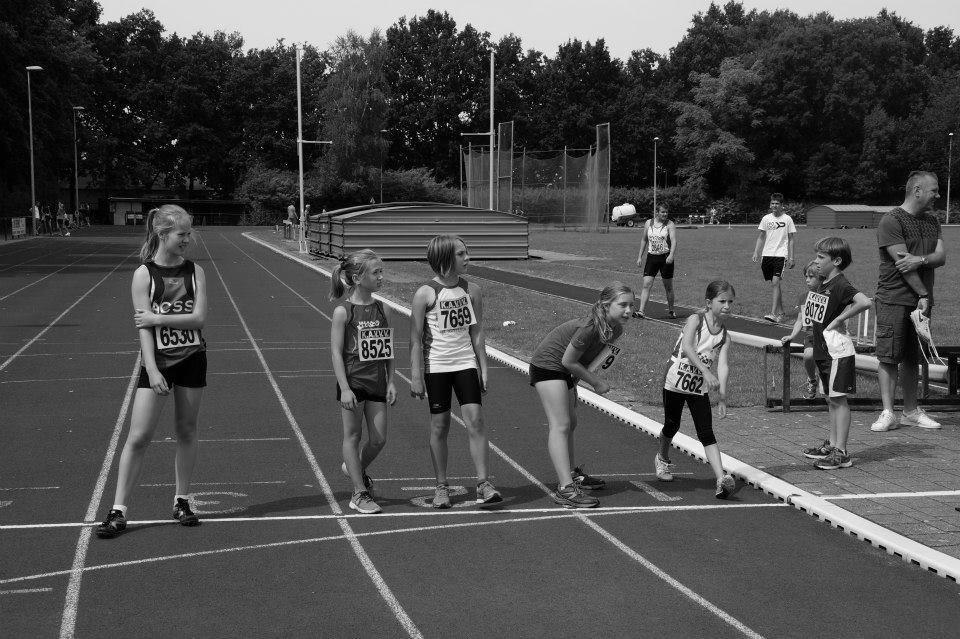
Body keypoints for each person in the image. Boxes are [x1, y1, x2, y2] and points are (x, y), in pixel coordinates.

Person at [96, 205, 208, 538]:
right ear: (162, 234)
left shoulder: (195, 272)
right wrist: (151, 368)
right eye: (182, 234)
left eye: (189, 234)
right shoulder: (144, 274)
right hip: (158, 362)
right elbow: (141, 328)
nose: (187, 240)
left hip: (192, 357)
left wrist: (159, 318)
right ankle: (118, 510)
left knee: (187, 431)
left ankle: (181, 500)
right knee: (139, 436)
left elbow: (198, 319)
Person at [409, 234, 502, 508]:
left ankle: (484, 483)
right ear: (445, 258)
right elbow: (415, 339)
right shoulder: (425, 293)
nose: (467, 258)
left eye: (466, 253)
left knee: (476, 420)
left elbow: (477, 331)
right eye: (461, 254)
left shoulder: (472, 290)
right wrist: (416, 376)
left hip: (465, 363)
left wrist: (483, 367)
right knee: (440, 425)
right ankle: (441, 486)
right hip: (436, 366)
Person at [530, 282, 634, 508]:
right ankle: (565, 488)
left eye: (631, 305)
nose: (629, 310)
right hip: (548, 366)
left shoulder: (616, 329)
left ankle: (571, 473)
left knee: (572, 422)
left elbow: (587, 359)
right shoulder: (589, 327)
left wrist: (575, 383)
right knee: (561, 424)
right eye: (623, 305)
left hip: (565, 372)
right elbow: (568, 360)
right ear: (606, 306)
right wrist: (595, 382)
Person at [871, 171, 947, 432]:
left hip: (922, 302)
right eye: (934, 190)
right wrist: (923, 294)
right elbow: (904, 265)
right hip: (894, 298)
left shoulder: (932, 221)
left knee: (914, 357)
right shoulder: (891, 220)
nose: (938, 195)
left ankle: (911, 412)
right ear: (917, 190)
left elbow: (941, 256)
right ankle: (888, 412)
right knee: (889, 356)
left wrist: (922, 259)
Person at [329, 249, 397, 514]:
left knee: (379, 439)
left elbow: (389, 349)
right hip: (354, 380)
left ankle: (353, 467)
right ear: (358, 278)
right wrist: (344, 388)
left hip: (377, 381)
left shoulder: (384, 309)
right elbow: (336, 351)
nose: (381, 277)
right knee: (353, 435)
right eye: (376, 272)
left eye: (382, 271)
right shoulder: (343, 312)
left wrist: (391, 381)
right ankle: (359, 492)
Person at [657, 280, 737, 499]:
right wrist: (705, 371)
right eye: (722, 301)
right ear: (709, 303)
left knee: (706, 431)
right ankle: (662, 458)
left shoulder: (724, 335)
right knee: (671, 424)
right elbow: (688, 347)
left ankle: (721, 478)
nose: (727, 306)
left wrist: (722, 397)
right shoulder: (695, 319)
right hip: (676, 378)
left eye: (730, 301)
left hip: (697, 385)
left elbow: (723, 365)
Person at [798, 237, 872, 469]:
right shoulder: (824, 284)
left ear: (837, 260)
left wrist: (840, 319)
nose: (816, 261)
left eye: (821, 257)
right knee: (831, 399)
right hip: (822, 349)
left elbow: (864, 302)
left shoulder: (840, 283)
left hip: (837, 351)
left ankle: (842, 452)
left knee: (839, 400)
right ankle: (832, 444)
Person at [780, 260, 824, 400]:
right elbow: (800, 320)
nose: (807, 280)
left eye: (811, 277)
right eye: (806, 277)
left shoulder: (827, 295)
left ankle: (826, 386)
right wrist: (792, 336)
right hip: (811, 335)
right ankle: (812, 380)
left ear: (821, 278)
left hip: (827, 335)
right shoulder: (804, 297)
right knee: (808, 356)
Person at [752, 193, 796, 323]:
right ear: (770, 204)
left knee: (776, 282)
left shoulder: (787, 219)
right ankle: (781, 313)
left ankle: (773, 314)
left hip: (780, 255)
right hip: (767, 254)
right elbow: (761, 236)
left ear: (782, 205)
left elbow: (792, 239)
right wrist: (756, 252)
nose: (774, 205)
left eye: (777, 203)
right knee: (774, 284)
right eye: (772, 203)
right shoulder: (766, 219)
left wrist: (791, 257)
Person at [634, 204, 677, 319]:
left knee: (668, 286)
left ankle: (671, 310)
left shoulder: (670, 224)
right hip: (652, 258)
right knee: (646, 284)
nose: (665, 214)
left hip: (665, 258)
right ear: (657, 212)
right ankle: (641, 311)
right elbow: (644, 240)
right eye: (662, 212)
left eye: (666, 212)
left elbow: (673, 241)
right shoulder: (649, 223)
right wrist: (639, 257)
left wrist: (671, 255)